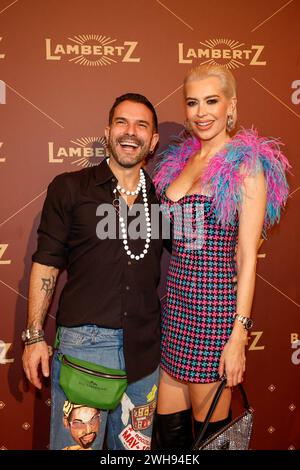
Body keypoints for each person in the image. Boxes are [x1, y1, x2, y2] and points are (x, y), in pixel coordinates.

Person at [153, 64, 290, 449]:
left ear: (231, 105)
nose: (202, 112)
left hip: (214, 313)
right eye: (193, 102)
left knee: (209, 440)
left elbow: (248, 257)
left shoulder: (246, 165)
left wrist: (238, 335)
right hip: (176, 309)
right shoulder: (183, 161)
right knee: (169, 439)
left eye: (211, 101)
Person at [22, 93, 162, 450]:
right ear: (107, 132)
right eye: (122, 122)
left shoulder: (162, 199)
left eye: (141, 125)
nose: (131, 132)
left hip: (145, 355)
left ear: (154, 140)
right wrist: (35, 336)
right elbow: (47, 261)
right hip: (85, 348)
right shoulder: (70, 188)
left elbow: (200, 255)